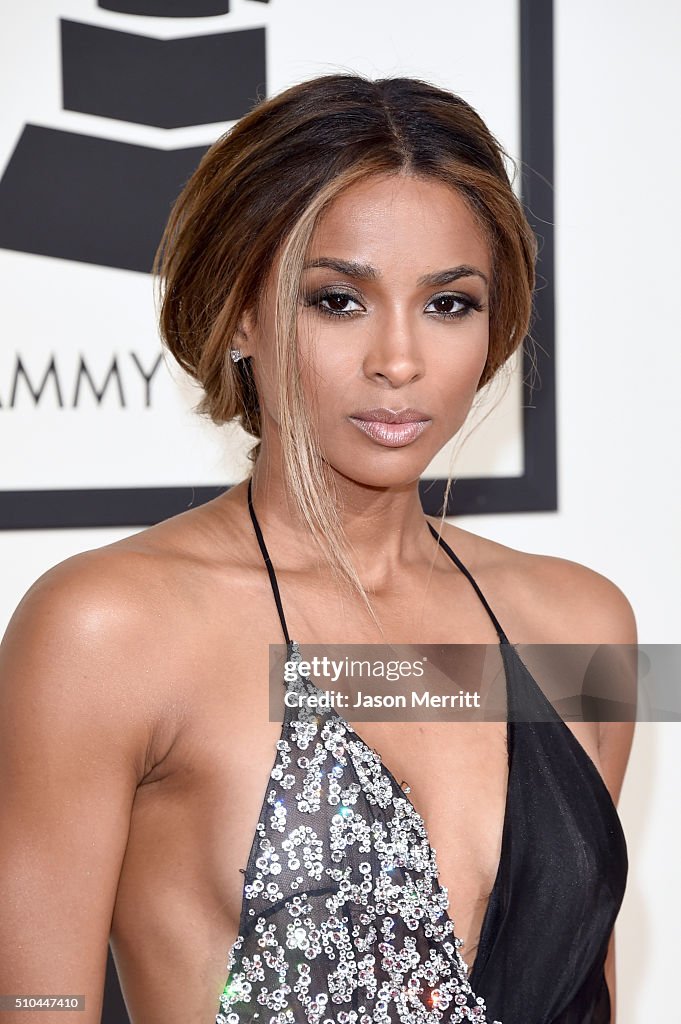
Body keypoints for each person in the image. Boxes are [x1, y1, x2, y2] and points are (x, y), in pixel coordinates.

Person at [0, 74, 636, 1024]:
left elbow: (586, 982)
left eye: (449, 304)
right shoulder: (105, 628)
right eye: (337, 300)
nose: (398, 360)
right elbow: (35, 1003)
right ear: (241, 316)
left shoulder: (585, 625)